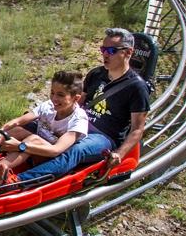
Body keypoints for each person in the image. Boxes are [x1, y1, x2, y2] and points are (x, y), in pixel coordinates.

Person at [12, 28, 150, 182]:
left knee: (77, 149)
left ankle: (19, 180)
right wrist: (53, 118)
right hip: (79, 124)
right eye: (103, 49)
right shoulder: (96, 74)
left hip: (104, 136)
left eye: (111, 50)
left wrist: (120, 153)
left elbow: (137, 130)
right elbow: (77, 103)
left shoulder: (137, 87)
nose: (105, 54)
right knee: (29, 125)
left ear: (128, 52)